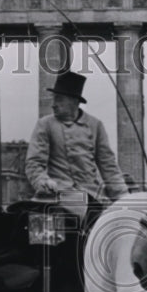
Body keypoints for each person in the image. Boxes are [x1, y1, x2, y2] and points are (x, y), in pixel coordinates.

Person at [24, 71, 129, 205]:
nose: (53, 104)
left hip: (92, 196)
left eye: (59, 99)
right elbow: (34, 164)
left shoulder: (95, 125)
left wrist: (124, 197)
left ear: (74, 102)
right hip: (58, 195)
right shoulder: (45, 125)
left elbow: (109, 167)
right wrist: (43, 182)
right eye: (54, 98)